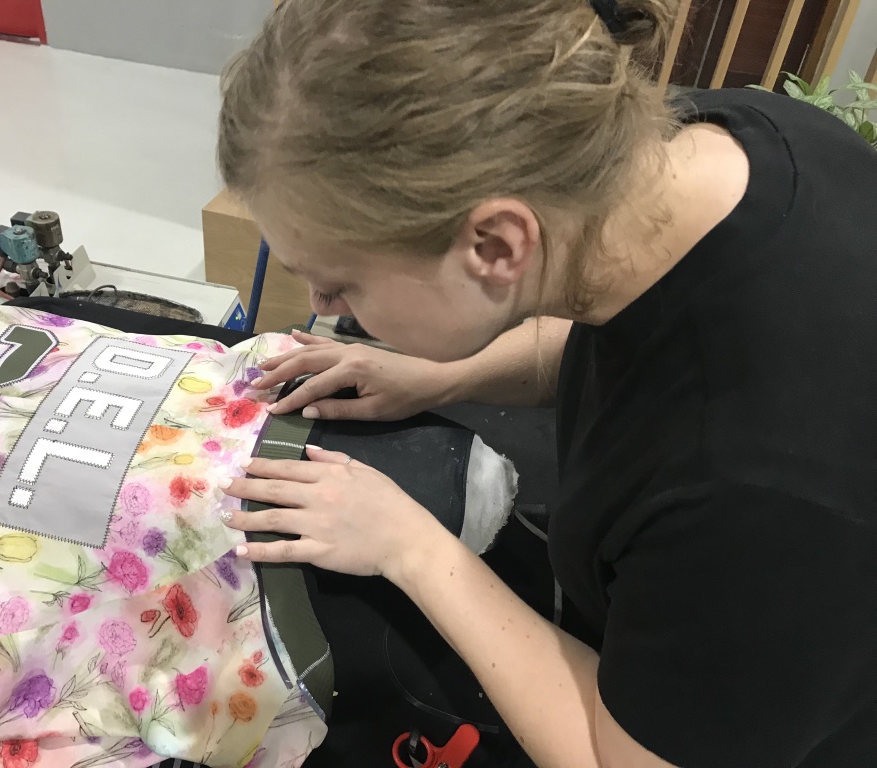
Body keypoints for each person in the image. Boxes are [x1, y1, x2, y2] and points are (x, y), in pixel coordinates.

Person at [214, 0, 877, 765]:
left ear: (497, 245)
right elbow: (641, 328)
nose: (323, 308)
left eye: (339, 285)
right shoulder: (727, 147)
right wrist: (443, 375)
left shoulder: (756, 484)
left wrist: (411, 547)